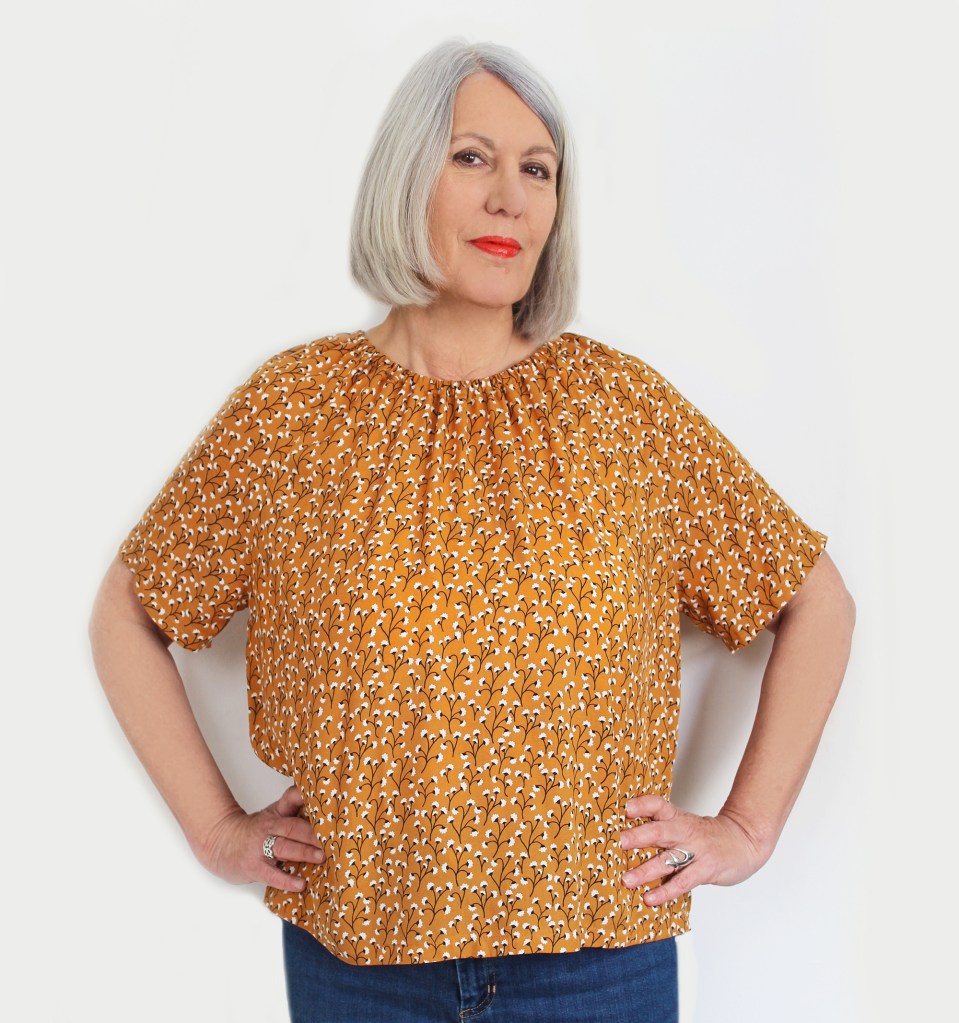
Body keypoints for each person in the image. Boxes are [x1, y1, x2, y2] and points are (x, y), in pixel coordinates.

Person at [89, 39, 855, 1023]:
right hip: (357, 964)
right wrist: (213, 830)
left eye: (537, 170)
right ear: (404, 175)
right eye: (471, 158)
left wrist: (747, 828)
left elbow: (814, 599)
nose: (509, 199)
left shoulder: (617, 411)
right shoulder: (292, 411)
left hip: (593, 962)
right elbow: (130, 611)